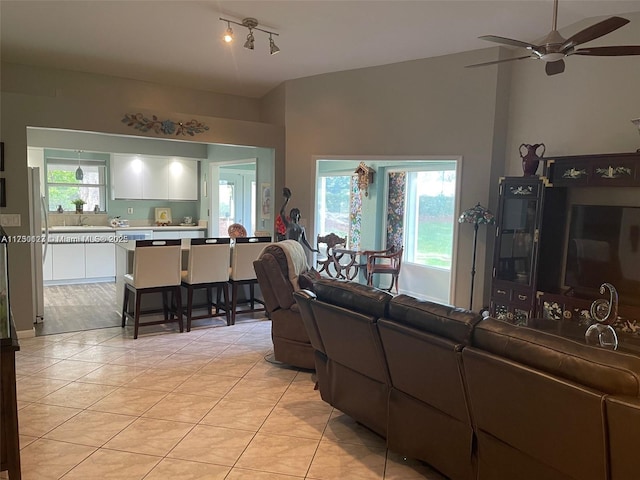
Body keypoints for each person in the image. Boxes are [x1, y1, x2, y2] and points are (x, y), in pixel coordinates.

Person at [279, 187, 318, 253]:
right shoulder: (288, 224)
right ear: (291, 215)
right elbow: (281, 212)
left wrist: (311, 249)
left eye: (296, 213)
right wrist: (287, 200)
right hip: (289, 248)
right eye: (293, 213)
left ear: (299, 215)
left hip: (297, 248)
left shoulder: (301, 228)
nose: (294, 214)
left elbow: (304, 240)